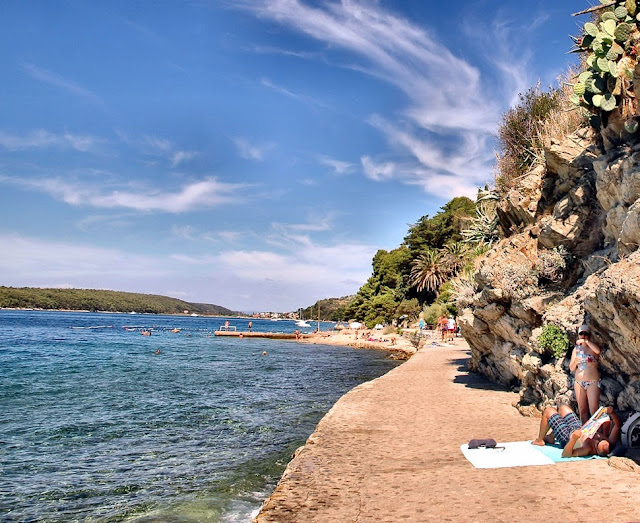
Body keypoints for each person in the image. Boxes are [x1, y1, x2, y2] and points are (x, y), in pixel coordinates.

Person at [532, 404, 620, 457]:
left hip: (567, 437)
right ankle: (551, 437)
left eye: (597, 443)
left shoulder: (587, 449)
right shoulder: (610, 441)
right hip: (579, 427)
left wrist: (573, 439)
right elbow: (617, 425)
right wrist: (612, 412)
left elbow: (566, 454)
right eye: (601, 439)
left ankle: (540, 440)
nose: (597, 439)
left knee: (548, 411)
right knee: (563, 408)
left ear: (596, 450)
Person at [569, 324, 602, 423]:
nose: (583, 336)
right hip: (579, 382)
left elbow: (598, 351)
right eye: (581, 334)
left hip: (593, 381)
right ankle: (584, 433)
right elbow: (571, 367)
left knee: (594, 410)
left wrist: (586, 342)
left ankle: (597, 433)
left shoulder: (592, 348)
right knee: (582, 410)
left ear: (589, 335)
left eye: (586, 334)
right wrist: (575, 362)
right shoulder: (576, 349)